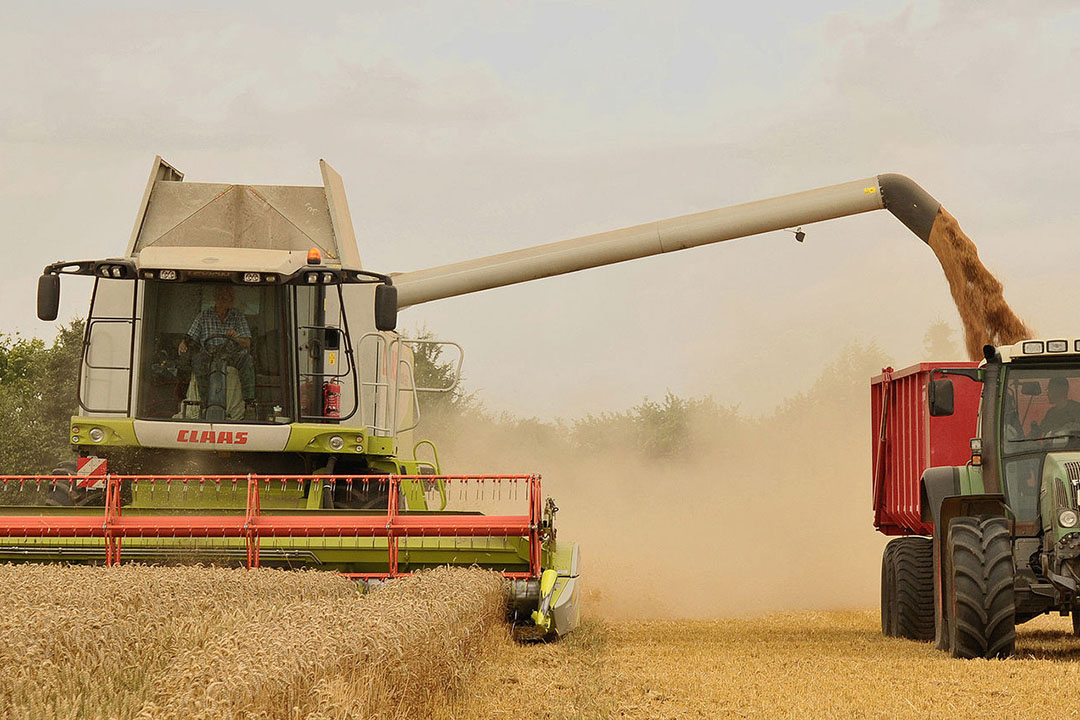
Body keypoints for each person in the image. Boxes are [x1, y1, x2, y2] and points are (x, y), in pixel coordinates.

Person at [178, 285, 255, 412]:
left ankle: (249, 402)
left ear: (232, 299)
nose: (223, 299)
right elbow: (190, 336)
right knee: (197, 360)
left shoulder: (238, 316)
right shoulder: (204, 315)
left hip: (231, 353)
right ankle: (204, 402)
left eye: (227, 296)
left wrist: (236, 338)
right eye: (220, 296)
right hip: (209, 353)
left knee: (247, 359)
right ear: (215, 298)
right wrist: (183, 343)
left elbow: (247, 343)